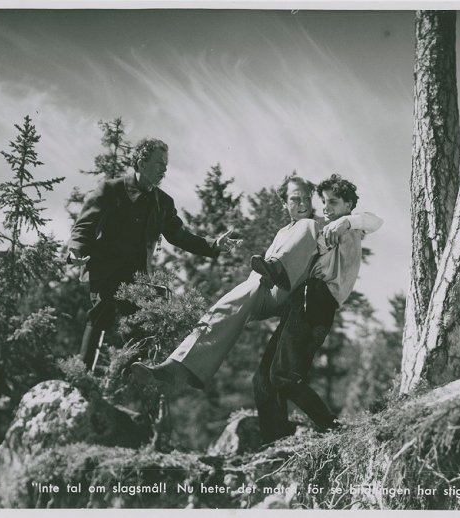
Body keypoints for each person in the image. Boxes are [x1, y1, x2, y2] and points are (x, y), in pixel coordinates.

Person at [130, 173, 382, 388]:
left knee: (304, 228)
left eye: (307, 198)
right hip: (266, 286)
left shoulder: (322, 226)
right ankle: (179, 368)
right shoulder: (285, 231)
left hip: (294, 289)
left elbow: (373, 221)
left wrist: (348, 220)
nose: (303, 203)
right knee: (224, 306)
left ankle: (277, 268)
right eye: (295, 199)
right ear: (284, 203)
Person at [68, 138, 233, 370]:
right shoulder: (111, 189)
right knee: (101, 314)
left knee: (140, 327)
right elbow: (84, 226)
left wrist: (213, 244)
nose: (164, 169)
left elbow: (179, 236)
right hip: (105, 271)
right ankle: (82, 375)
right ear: (141, 161)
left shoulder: (163, 202)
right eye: (159, 163)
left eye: (166, 164)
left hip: (136, 278)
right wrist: (76, 251)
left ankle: (131, 381)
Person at [252, 174, 375, 444]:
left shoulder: (350, 226)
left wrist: (347, 220)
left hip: (318, 299)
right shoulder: (325, 227)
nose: (327, 207)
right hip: (303, 299)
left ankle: (332, 429)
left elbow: (376, 221)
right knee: (262, 380)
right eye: (324, 202)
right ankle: (274, 443)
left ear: (349, 204)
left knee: (283, 376)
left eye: (334, 202)